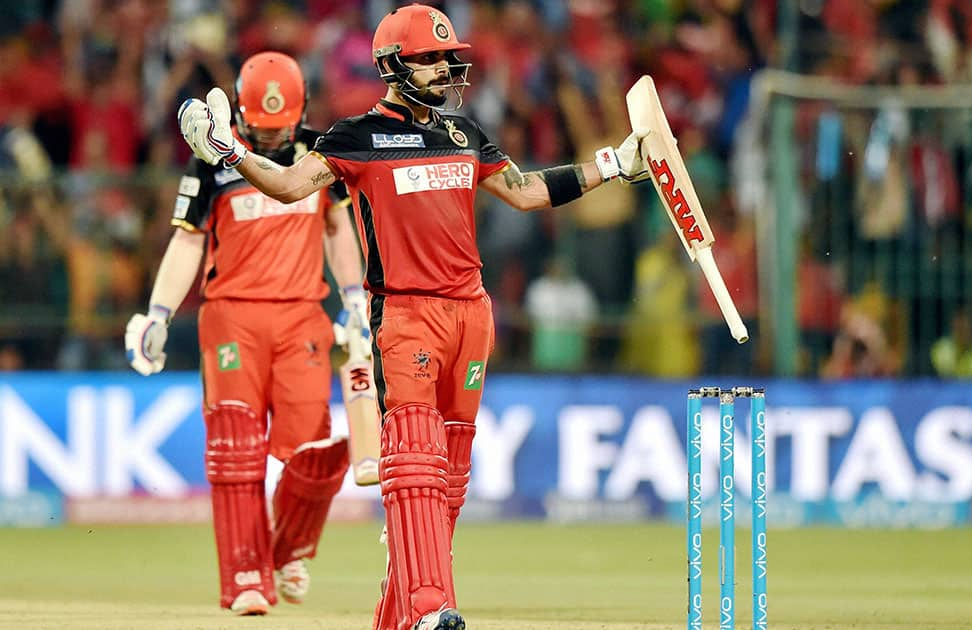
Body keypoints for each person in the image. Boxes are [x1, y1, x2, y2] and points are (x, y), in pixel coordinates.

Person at [176, 5, 648, 629]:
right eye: (432, 58)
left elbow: (529, 190)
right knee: (416, 464)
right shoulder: (355, 136)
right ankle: (432, 608)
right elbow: (290, 186)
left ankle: (399, 617)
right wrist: (226, 150)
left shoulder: (466, 134)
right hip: (405, 315)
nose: (447, 67)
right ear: (394, 66)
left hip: (472, 314)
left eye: (449, 56)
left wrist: (613, 165)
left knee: (448, 475)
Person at [125, 51, 370, 616]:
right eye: (260, 127)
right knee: (235, 446)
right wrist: (158, 313)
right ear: (241, 112)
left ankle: (286, 550)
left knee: (316, 451)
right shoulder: (212, 158)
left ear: (302, 109)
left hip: (302, 319)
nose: (272, 136)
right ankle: (243, 579)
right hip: (231, 316)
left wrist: (354, 299)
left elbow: (338, 226)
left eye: (281, 127)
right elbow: (188, 241)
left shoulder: (319, 151)